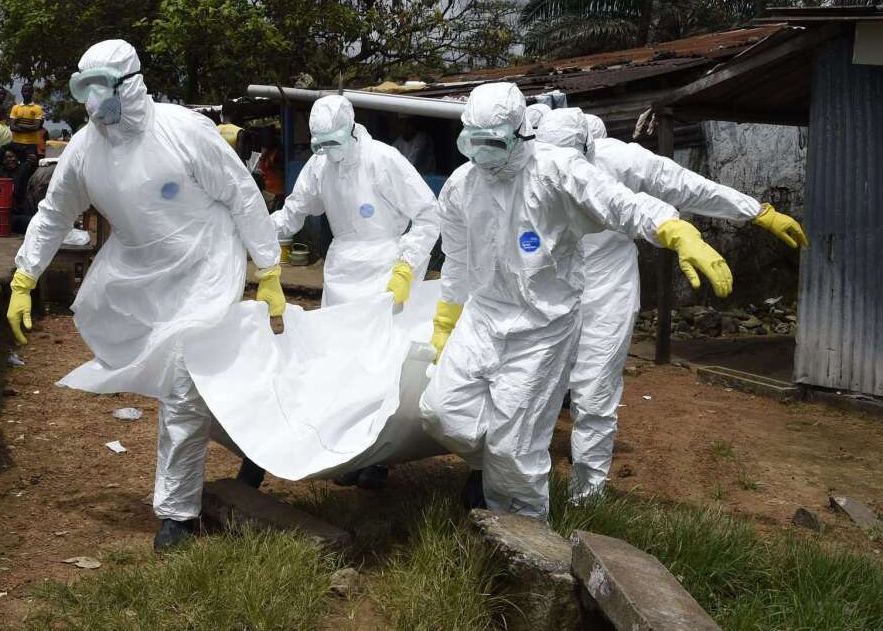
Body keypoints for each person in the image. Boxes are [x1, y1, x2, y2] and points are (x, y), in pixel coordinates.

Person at [6, 39, 285, 551]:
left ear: (129, 83)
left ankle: (177, 514)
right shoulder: (86, 150)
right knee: (190, 380)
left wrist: (267, 267)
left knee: (181, 380)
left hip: (206, 262)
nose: (92, 103)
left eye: (101, 88)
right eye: (83, 89)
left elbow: (242, 195)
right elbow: (53, 214)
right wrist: (24, 278)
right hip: (142, 272)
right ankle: (256, 441)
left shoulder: (184, 131)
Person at [418, 83, 733, 520]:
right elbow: (456, 258)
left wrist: (673, 230)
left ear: (520, 133)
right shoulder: (461, 186)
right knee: (441, 414)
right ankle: (489, 472)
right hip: (484, 317)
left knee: (514, 448)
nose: (483, 154)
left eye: (494, 143)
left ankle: (526, 538)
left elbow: (619, 202)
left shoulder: (555, 170)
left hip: (542, 328)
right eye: (474, 142)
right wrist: (445, 319)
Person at [536, 107, 808, 502]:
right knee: (533, 382)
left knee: (595, 391)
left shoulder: (618, 159)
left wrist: (756, 210)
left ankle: (586, 497)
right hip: (551, 284)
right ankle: (521, 487)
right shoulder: (534, 163)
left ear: (588, 147)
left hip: (606, 287)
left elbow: (685, 185)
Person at [274, 96, 439, 308]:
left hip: (385, 269)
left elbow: (427, 213)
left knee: (381, 337)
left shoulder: (382, 158)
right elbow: (293, 212)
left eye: (333, 141)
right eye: (322, 143)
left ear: (350, 129)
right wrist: (256, 230)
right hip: (340, 271)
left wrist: (406, 266)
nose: (328, 149)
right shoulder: (319, 164)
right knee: (339, 335)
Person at [9, 82, 44, 162]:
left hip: (31, 144)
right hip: (17, 143)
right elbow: (12, 127)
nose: (26, 93)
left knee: (30, 165)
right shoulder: (15, 108)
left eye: (29, 91)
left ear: (32, 93)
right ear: (21, 92)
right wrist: (30, 128)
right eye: (25, 91)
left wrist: (20, 125)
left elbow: (36, 127)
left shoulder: (37, 108)